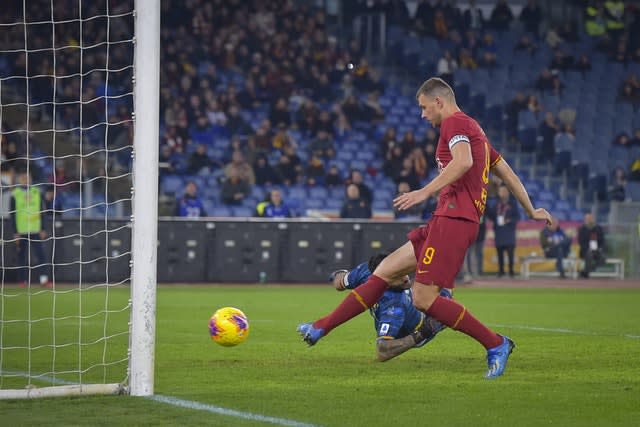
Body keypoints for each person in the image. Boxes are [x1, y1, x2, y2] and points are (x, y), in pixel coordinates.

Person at [298, 77, 552, 379]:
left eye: (423, 107)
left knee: (423, 299)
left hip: (455, 221)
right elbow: (504, 169)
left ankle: (496, 344)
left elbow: (463, 162)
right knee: (386, 270)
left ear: (438, 102)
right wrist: (530, 208)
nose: (422, 114)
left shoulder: (455, 123)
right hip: (444, 219)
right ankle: (321, 327)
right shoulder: (474, 129)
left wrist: (423, 191)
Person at [329, 253, 451, 362]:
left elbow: (339, 282)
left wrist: (336, 275)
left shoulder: (366, 271)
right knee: (447, 296)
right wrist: (423, 333)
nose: (405, 278)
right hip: (419, 328)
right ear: (384, 280)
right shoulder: (393, 306)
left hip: (417, 304)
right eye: (397, 276)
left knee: (443, 281)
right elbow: (383, 351)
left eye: (403, 271)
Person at [11, 170, 51, 288]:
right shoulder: (15, 194)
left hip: (35, 230)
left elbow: (42, 211)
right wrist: (15, 232)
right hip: (21, 231)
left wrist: (43, 228)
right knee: (21, 257)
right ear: (19, 180)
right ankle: (22, 281)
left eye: (28, 177)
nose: (26, 180)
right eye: (23, 178)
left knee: (41, 256)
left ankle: (44, 280)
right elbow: (12, 214)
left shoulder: (37, 192)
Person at [487, 184, 520, 278]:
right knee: (499, 253)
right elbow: (492, 216)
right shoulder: (497, 204)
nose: (502, 193)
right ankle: (501, 271)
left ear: (508, 192)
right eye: (500, 191)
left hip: (509, 232)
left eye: (504, 191)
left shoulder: (512, 203)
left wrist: (509, 220)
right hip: (499, 232)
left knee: (510, 254)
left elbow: (517, 217)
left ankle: (511, 271)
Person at [577, 213, 605, 278]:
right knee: (589, 255)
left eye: (590, 218)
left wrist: (600, 248)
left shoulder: (598, 228)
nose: (589, 220)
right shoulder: (582, 229)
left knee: (603, 258)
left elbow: (602, 240)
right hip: (586, 250)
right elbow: (581, 242)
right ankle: (586, 272)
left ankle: (586, 271)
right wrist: (587, 249)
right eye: (587, 219)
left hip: (596, 249)